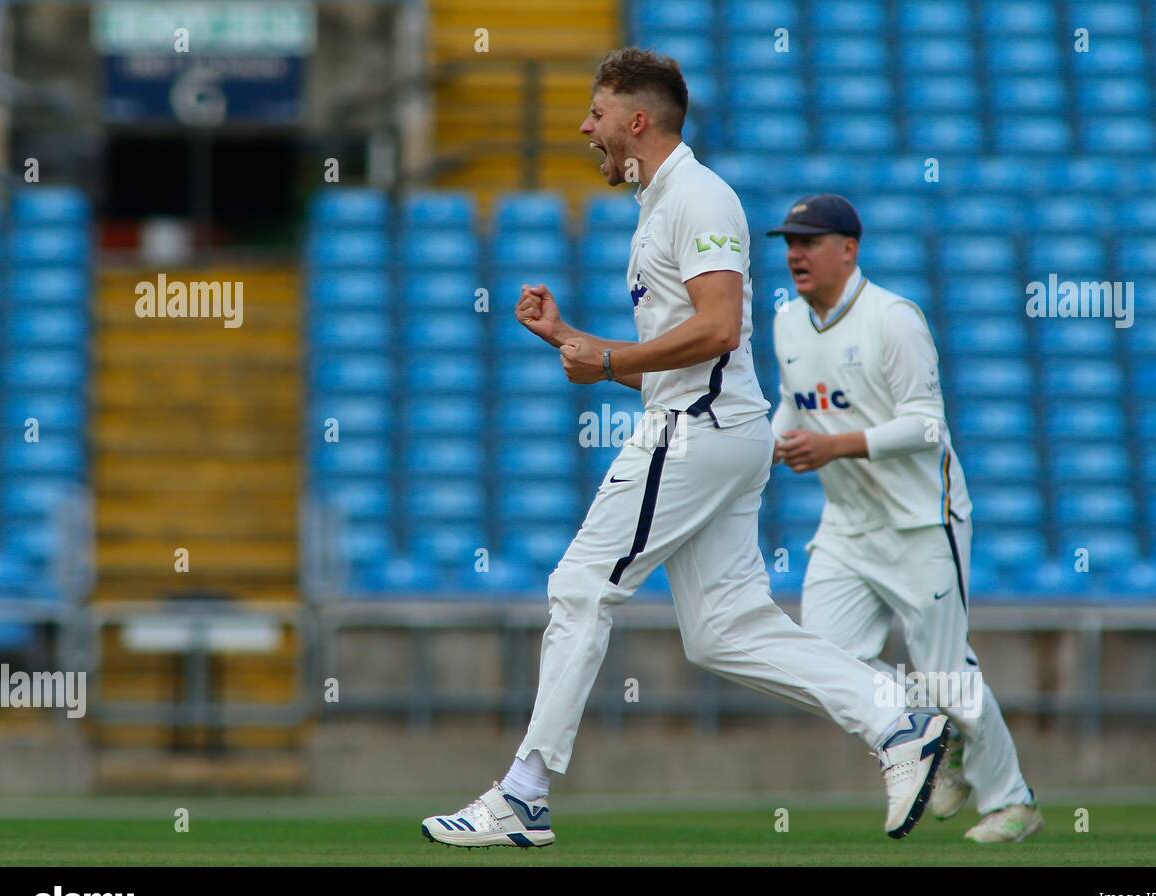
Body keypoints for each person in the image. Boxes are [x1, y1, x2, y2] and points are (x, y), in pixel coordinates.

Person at [421, 50, 949, 848]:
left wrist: (601, 357)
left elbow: (716, 328)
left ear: (637, 121)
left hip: (697, 432)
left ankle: (523, 794)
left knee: (579, 587)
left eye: (595, 114)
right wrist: (572, 339)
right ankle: (897, 719)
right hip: (714, 426)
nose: (583, 128)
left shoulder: (698, 198)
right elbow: (684, 357)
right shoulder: (663, 201)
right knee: (723, 629)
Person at [766, 194, 1043, 843]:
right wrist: (766, 446)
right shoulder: (787, 322)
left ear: (849, 249)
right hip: (846, 524)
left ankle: (1012, 802)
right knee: (822, 660)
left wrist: (835, 445)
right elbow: (792, 401)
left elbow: (926, 425)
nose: (796, 254)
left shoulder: (893, 319)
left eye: (809, 241)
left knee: (946, 671)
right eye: (789, 242)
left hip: (923, 520)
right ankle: (925, 726)